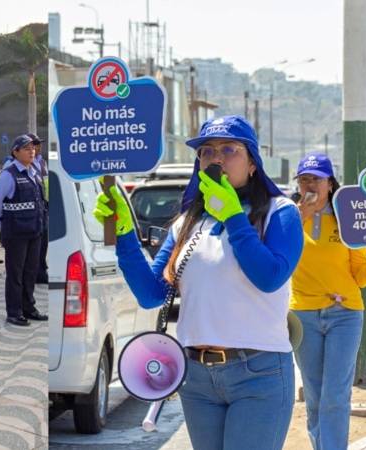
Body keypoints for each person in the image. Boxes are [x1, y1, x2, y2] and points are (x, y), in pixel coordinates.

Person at [94, 115, 304, 450]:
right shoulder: (187, 224)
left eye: (229, 149)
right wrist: (125, 238)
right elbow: (151, 294)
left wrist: (234, 217)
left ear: (252, 163)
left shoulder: (281, 213)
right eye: (206, 151)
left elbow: (269, 278)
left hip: (259, 374)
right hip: (197, 378)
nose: (216, 158)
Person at [290, 152, 366, 450]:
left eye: (316, 179)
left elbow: (360, 276)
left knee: (336, 393)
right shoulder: (287, 218)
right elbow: (277, 260)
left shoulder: (348, 219)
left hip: (345, 314)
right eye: (304, 179)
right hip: (303, 315)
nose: (309, 185)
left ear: (330, 184)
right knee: (316, 395)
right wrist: (298, 219)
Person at [0, 135, 48, 326]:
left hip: (34, 230)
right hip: (16, 233)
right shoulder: (9, 174)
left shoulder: (34, 172)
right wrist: (2, 225)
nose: (31, 151)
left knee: (30, 271)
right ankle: (14, 312)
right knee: (15, 273)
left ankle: (28, 307)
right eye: (26, 148)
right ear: (15, 152)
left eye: (32, 148)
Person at [27, 132, 49, 284]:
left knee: (43, 242)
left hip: (45, 206)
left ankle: (40, 269)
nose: (38, 146)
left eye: (38, 143)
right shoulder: (26, 164)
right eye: (34, 144)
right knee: (35, 245)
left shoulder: (42, 162)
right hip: (31, 210)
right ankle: (35, 273)